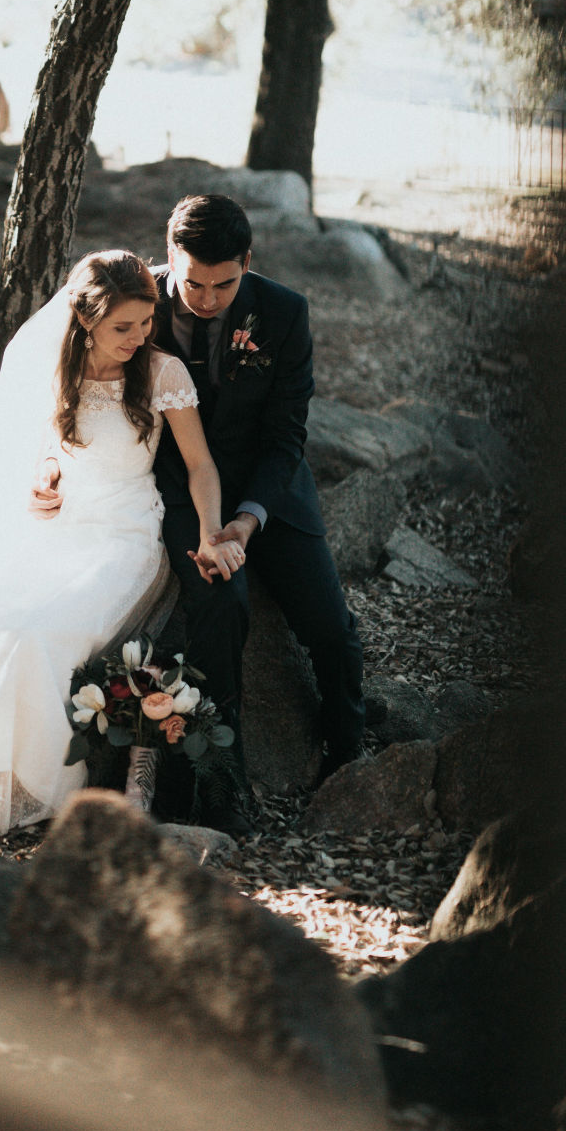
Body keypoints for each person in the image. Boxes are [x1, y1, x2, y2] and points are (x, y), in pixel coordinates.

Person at [0, 249, 242, 836]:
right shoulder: (57, 373)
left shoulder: (162, 374)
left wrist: (210, 531)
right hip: (60, 529)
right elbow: (45, 459)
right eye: (121, 327)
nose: (138, 336)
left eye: (145, 322)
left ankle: (34, 790)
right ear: (85, 321)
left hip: (125, 536)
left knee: (40, 639)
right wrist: (43, 485)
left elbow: (201, 465)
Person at [150, 193, 367, 830]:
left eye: (225, 283)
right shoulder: (138, 305)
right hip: (181, 487)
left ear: (249, 261)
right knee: (221, 604)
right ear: (169, 257)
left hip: (272, 488)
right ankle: (222, 781)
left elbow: (285, 436)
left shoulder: (284, 313)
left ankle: (348, 752)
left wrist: (248, 519)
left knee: (329, 623)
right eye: (193, 281)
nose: (208, 298)